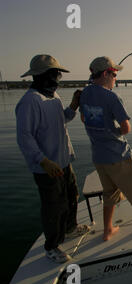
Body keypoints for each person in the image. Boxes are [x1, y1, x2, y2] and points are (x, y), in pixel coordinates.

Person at [16, 54, 90, 263]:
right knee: (53, 207)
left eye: (58, 73)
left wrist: (74, 105)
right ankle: (52, 246)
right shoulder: (30, 101)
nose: (58, 77)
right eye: (55, 73)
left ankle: (70, 228)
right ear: (41, 76)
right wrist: (43, 161)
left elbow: (63, 119)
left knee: (71, 196)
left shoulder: (54, 97)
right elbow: (24, 137)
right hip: (46, 167)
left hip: (64, 162)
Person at [79, 56, 132, 241]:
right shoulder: (112, 97)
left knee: (109, 194)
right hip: (119, 154)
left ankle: (107, 230)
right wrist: (114, 131)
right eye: (114, 74)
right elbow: (126, 128)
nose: (116, 78)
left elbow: (83, 119)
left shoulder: (84, 94)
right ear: (106, 73)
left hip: (99, 157)